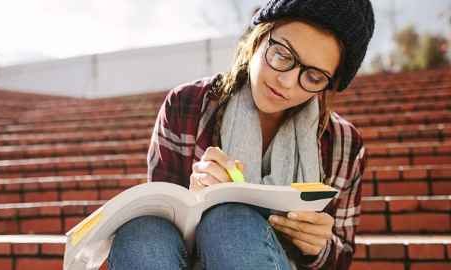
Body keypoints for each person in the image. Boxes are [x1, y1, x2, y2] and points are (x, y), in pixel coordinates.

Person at [107, 0, 374, 269]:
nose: (287, 82)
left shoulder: (344, 144)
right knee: (140, 234)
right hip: (187, 257)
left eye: (314, 77)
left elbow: (342, 255)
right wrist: (192, 201)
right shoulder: (186, 105)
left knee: (229, 222)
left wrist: (320, 247)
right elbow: (159, 220)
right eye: (282, 55)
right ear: (258, 38)